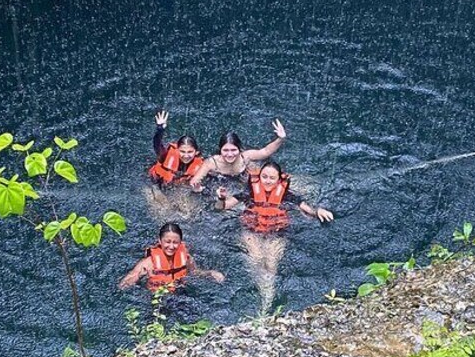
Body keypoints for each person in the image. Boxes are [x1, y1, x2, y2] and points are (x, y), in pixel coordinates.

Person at [215, 160, 333, 311]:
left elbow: (308, 209)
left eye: (272, 178)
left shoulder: (286, 195)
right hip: (252, 231)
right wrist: (221, 198)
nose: (268, 181)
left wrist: (319, 211)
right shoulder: (249, 192)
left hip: (276, 234)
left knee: (271, 264)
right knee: (256, 258)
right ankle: (260, 291)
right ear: (260, 177)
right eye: (264, 177)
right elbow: (221, 208)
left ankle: (266, 299)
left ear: (279, 179)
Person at [118, 222, 225, 291]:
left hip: (180, 293)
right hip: (156, 298)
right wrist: (137, 277)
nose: (171, 246)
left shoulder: (186, 258)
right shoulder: (148, 263)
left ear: (180, 242)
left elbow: (194, 272)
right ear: (160, 241)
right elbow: (123, 285)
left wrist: (210, 273)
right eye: (167, 242)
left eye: (175, 242)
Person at [189, 119, 288, 192]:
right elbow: (195, 180)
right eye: (225, 150)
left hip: (242, 178)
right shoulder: (212, 163)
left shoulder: (245, 156)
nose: (230, 154)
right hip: (220, 182)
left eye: (233, 150)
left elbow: (265, 151)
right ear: (220, 150)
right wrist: (197, 188)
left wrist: (280, 139)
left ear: (239, 149)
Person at [149, 110, 204, 185]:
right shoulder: (165, 156)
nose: (186, 156)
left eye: (190, 152)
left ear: (196, 152)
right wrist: (160, 130)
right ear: (177, 150)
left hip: (174, 185)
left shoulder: (202, 165)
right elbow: (157, 145)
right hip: (154, 183)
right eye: (182, 151)